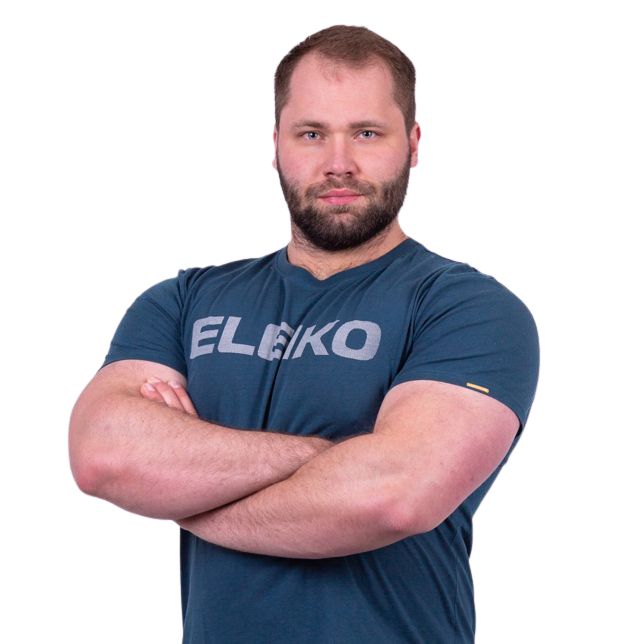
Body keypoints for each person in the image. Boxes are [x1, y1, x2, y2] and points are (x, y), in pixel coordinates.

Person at [69, 24, 539, 644]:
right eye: (311, 134)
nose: (338, 163)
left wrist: (184, 493)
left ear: (412, 143)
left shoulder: (467, 308)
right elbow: (103, 456)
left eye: (366, 133)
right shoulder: (184, 301)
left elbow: (396, 496)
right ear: (276, 145)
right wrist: (329, 456)